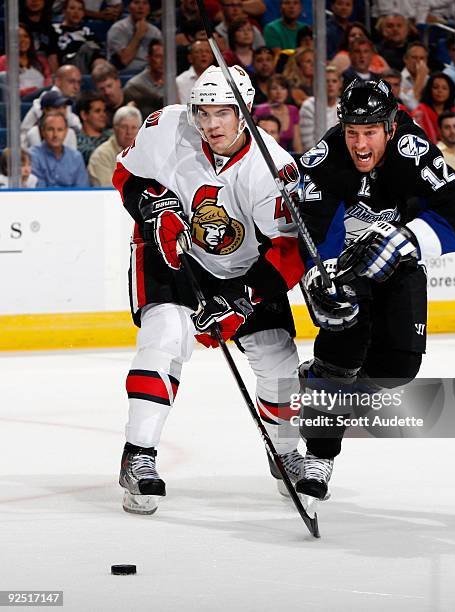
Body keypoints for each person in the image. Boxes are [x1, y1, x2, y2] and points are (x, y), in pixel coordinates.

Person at [112, 65, 304, 515]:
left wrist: (243, 299)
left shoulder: (272, 168)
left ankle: (286, 453)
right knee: (166, 336)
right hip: (172, 250)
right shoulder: (167, 127)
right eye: (204, 112)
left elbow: (289, 251)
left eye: (224, 112)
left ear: (245, 113)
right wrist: (152, 207)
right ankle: (137, 457)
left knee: (278, 355)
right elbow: (127, 176)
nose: (211, 124)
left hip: (244, 269)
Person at [295, 79, 455, 500]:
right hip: (346, 265)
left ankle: (317, 394)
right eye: (352, 132)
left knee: (398, 369)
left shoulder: (413, 151)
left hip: (399, 262)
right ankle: (320, 456)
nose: (360, 144)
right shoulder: (325, 158)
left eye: (370, 132)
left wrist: (406, 240)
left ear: (391, 127)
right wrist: (320, 278)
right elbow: (314, 226)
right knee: (342, 355)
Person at [21, 64, 82, 137]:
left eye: (79, 82)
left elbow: (76, 126)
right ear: (58, 81)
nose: (76, 87)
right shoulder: (47, 98)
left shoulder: (67, 102)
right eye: (71, 81)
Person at [30, 112, 89, 187]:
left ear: (66, 132)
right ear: (42, 131)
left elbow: (82, 190)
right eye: (50, 129)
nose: (55, 135)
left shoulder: (76, 157)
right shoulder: (32, 156)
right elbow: (38, 191)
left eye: (60, 130)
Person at [88, 105, 141, 186]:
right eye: (124, 127)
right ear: (115, 128)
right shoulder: (101, 155)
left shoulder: (145, 153)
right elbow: (107, 190)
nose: (129, 132)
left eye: (134, 128)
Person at [106, 0, 162, 73]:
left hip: (149, 73)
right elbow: (124, 60)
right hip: (123, 74)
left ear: (149, 9)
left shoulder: (155, 32)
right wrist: (138, 35)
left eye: (145, 3)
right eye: (136, 2)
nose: (141, 7)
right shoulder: (118, 29)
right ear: (129, 7)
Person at [0, 24, 51, 100]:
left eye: (26, 36)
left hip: (41, 98)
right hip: (18, 99)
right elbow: (4, 88)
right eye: (18, 37)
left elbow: (48, 81)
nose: (22, 40)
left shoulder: (41, 60)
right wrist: (29, 91)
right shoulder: (3, 60)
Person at [253, 74, 302, 152]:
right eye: (274, 88)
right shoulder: (260, 110)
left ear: (287, 91)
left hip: (287, 155)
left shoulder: (293, 110)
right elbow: (253, 138)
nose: (279, 92)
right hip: (264, 154)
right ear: (268, 91)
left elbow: (297, 142)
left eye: (283, 88)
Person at [299, 66, 343, 150]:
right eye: (326, 81)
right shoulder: (308, 106)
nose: (330, 85)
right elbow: (308, 144)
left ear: (340, 84)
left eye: (334, 81)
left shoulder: (344, 106)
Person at [123, 39, 164, 118]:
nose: (162, 61)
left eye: (165, 57)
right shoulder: (135, 86)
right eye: (158, 56)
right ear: (148, 58)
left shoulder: (175, 82)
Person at [411, 72, 455, 143]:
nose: (440, 91)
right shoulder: (420, 111)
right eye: (436, 87)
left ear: (450, 91)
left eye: (444, 88)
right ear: (429, 90)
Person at [76, 91, 113, 164]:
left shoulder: (112, 135)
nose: (103, 115)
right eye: (97, 111)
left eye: (104, 111)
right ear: (84, 115)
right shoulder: (77, 141)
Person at [175, 40, 215, 104]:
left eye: (207, 51)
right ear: (190, 58)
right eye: (198, 52)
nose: (204, 55)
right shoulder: (180, 81)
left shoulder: (219, 79)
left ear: (212, 57)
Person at [399, 41, 429, 112]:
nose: (418, 61)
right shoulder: (397, 80)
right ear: (405, 59)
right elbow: (413, 106)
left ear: (426, 61)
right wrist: (420, 78)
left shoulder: (430, 80)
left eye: (422, 58)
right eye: (414, 57)